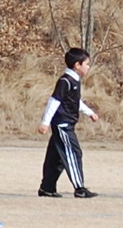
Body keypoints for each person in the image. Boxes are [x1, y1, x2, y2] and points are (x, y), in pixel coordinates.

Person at [37, 48, 101, 198]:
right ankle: (80, 188)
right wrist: (45, 123)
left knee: (56, 157)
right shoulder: (65, 81)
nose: (88, 67)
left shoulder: (74, 81)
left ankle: (47, 188)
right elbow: (54, 101)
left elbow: (75, 101)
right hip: (63, 125)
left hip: (67, 123)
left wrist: (90, 113)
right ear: (77, 65)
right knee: (74, 152)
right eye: (86, 64)